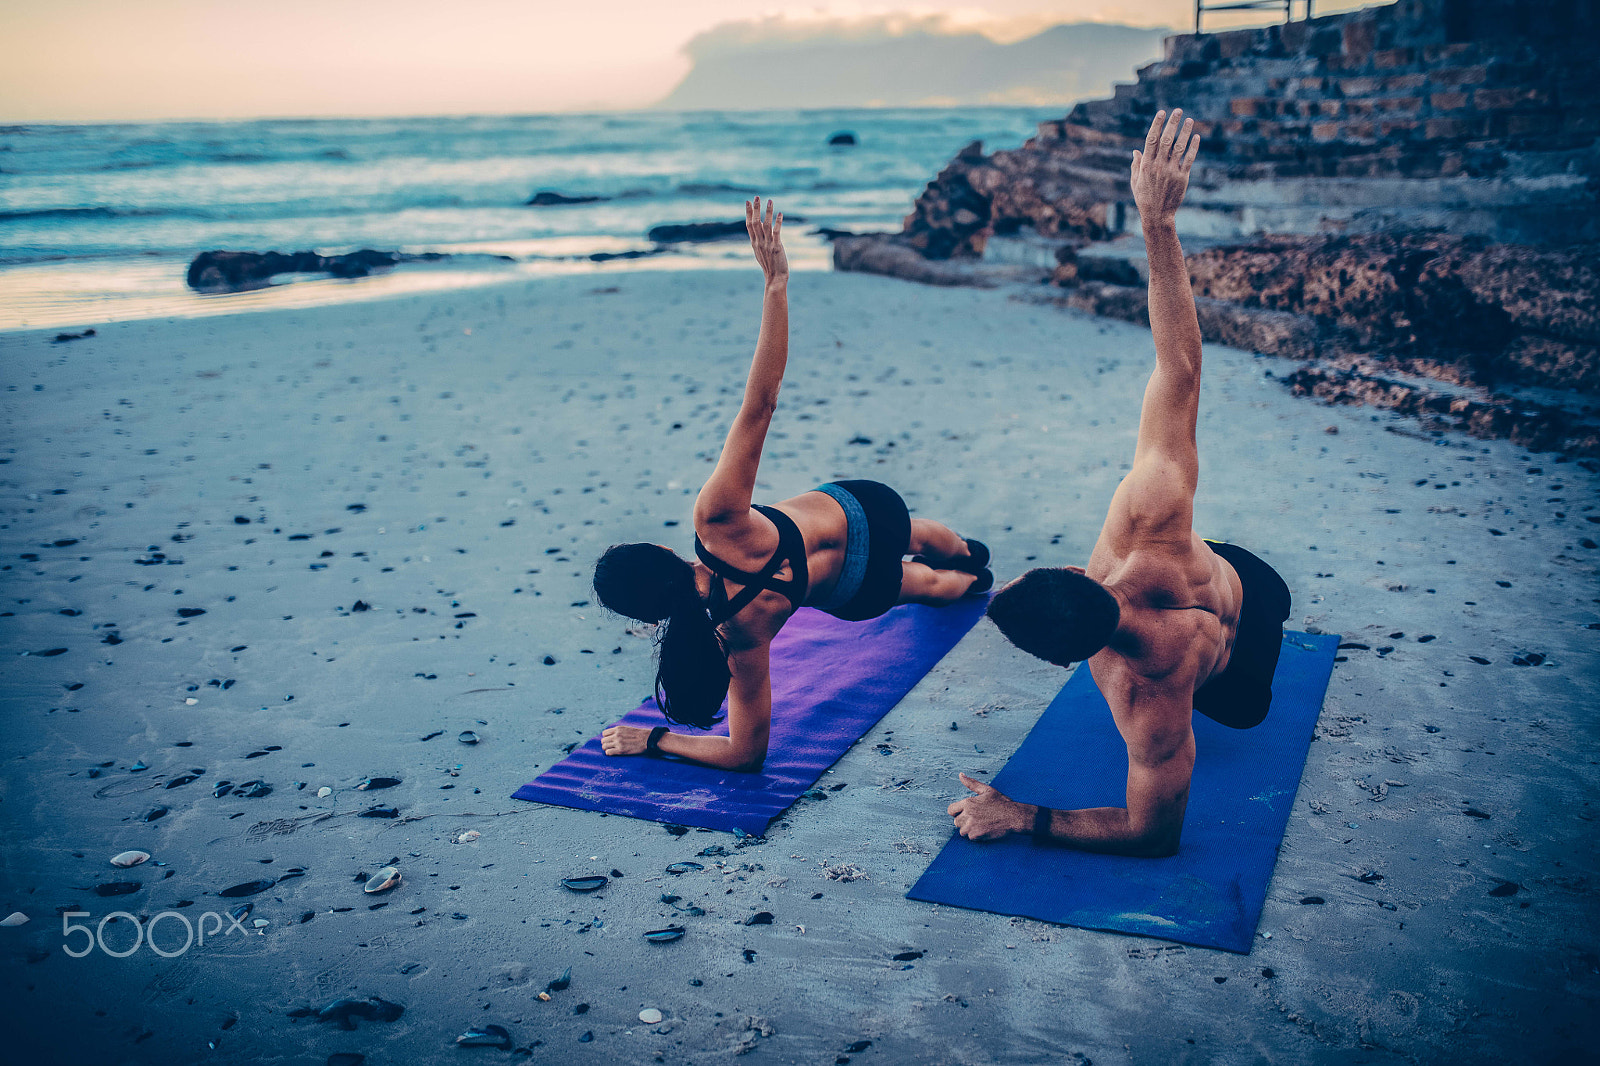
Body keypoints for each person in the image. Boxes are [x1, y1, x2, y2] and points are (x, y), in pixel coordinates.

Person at [947, 110, 1292, 857]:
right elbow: (1181, 368)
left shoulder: (1151, 698)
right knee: (1221, 560)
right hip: (1249, 582)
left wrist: (1023, 815)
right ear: (1076, 572)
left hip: (1235, 689)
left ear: (1073, 664)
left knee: (1241, 706)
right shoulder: (1149, 514)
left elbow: (1152, 833)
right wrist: (1157, 223)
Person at [594, 197, 992, 772]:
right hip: (861, 511)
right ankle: (970, 553)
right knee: (922, 533)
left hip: (856, 589)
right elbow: (761, 402)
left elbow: (744, 754)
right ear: (661, 552)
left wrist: (650, 739)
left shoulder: (738, 637)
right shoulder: (716, 520)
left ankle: (975, 583)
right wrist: (775, 283)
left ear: (651, 618)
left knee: (927, 588)